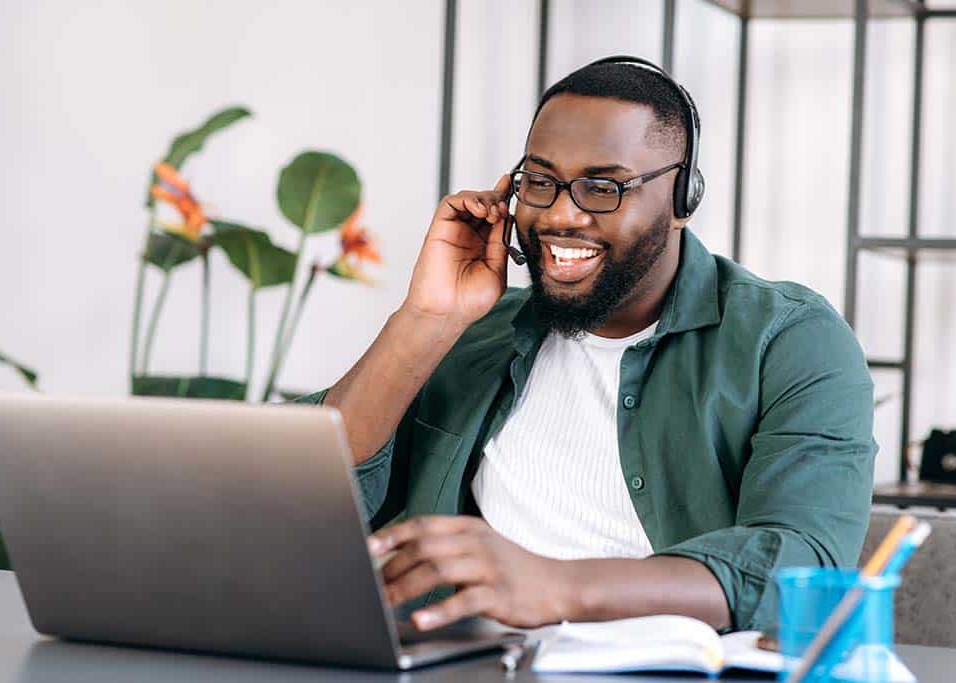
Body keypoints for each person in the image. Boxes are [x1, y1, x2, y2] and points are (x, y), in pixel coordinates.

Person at [295, 57, 876, 634]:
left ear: (683, 198)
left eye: (603, 187)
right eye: (541, 182)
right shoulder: (471, 332)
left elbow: (803, 564)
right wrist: (425, 319)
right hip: (467, 668)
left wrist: (555, 584)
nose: (561, 214)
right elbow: (305, 504)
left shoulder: (788, 338)